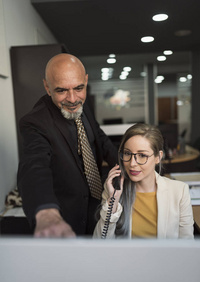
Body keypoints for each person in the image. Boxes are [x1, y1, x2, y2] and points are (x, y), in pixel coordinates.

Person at [17, 53, 118, 238]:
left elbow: (99, 137)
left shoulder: (83, 103)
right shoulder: (35, 122)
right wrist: (45, 212)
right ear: (47, 87)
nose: (72, 99)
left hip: (98, 208)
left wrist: (125, 167)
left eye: (79, 88)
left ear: (85, 81)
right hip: (67, 221)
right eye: (61, 90)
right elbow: (34, 166)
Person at [93, 123, 194, 239]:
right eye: (127, 153)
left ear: (158, 157)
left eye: (142, 155)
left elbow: (186, 245)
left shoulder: (179, 191)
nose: (132, 163)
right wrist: (113, 201)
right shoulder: (114, 189)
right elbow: (100, 241)